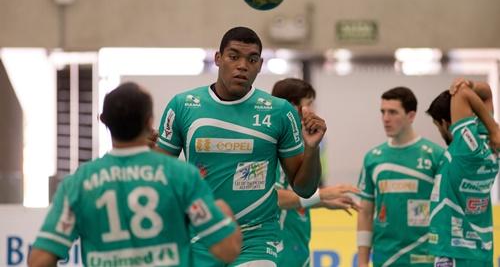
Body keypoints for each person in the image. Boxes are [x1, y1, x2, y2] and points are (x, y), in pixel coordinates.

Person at [156, 27, 327, 267]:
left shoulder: (279, 112)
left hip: (257, 238)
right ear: (218, 58)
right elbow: (159, 176)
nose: (242, 65)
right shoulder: (183, 105)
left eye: (252, 59)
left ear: (260, 64)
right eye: (233, 56)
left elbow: (305, 189)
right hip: (200, 235)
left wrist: (311, 149)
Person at [28, 82, 242, 267]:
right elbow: (227, 249)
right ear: (150, 122)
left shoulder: (78, 183)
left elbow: (38, 261)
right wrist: (225, 214)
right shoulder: (181, 176)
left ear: (103, 120)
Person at [272, 78, 360, 267]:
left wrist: (322, 202)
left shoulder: (297, 145)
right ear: (292, 107)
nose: (313, 111)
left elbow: (295, 197)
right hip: (278, 254)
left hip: (297, 249)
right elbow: (274, 197)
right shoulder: (273, 150)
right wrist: (322, 194)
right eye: (309, 104)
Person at [357, 86, 445, 267]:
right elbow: (365, 211)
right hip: (386, 259)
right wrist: (362, 261)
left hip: (426, 259)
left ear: (411, 116)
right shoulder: (373, 158)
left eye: (393, 112)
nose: (386, 119)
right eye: (383, 112)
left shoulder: (436, 156)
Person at [426, 79, 500, 267]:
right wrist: (492, 129)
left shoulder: (463, 149)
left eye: (437, 126)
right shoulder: (489, 144)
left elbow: (462, 94)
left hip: (453, 253)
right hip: (482, 254)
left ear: (445, 123)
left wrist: (463, 87)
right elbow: (487, 93)